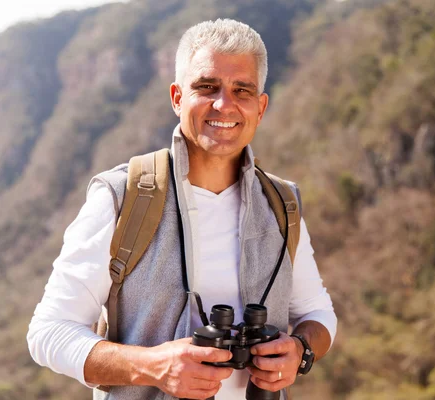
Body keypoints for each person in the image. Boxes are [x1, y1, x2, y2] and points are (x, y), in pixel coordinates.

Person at [27, 18, 336, 400]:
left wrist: (300, 351)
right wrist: (155, 366)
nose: (224, 104)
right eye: (207, 87)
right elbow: (48, 331)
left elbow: (317, 315)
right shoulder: (123, 197)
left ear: (261, 107)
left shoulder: (282, 205)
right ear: (176, 97)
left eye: (243, 90)